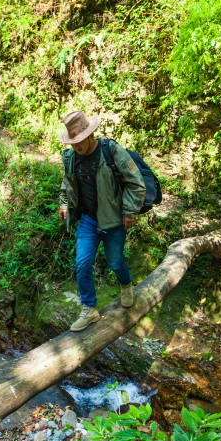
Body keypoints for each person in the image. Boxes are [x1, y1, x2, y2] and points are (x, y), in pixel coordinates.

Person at [58, 110, 146, 332]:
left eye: (79, 141)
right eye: (73, 142)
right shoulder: (71, 158)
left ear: (90, 135)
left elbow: (135, 181)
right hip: (88, 220)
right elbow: (67, 183)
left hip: (113, 218)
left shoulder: (111, 151)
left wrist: (130, 211)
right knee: (82, 264)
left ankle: (126, 285)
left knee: (115, 261)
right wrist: (64, 203)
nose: (76, 146)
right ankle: (89, 309)